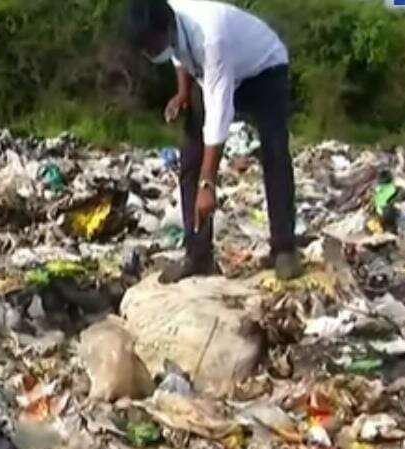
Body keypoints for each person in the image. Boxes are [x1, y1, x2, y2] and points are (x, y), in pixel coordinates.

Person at [129, 0, 303, 283]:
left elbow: (219, 112)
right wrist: (183, 92)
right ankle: (198, 256)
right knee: (190, 155)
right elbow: (178, 54)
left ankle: (284, 248)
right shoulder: (167, 19)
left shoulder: (211, 37)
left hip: (264, 69)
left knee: (273, 150)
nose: (151, 53)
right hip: (216, 72)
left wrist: (208, 184)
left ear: (169, 29)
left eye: (153, 45)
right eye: (145, 49)